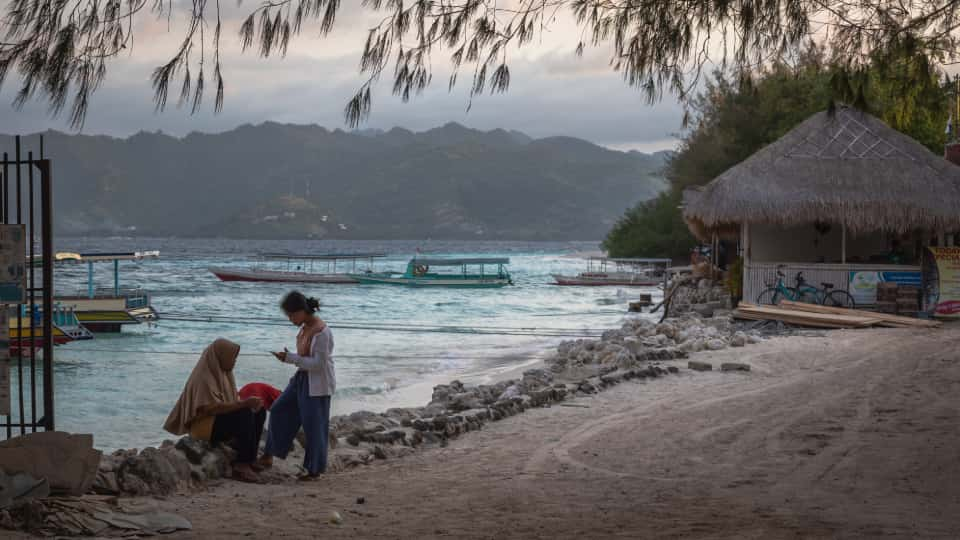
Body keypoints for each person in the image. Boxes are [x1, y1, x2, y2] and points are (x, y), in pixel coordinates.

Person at [163, 338, 265, 482]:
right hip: (204, 426)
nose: (234, 362)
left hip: (216, 420)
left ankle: (250, 458)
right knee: (245, 412)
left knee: (259, 411)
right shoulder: (204, 376)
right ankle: (241, 466)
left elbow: (229, 401)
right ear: (221, 356)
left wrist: (247, 403)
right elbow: (210, 408)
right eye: (232, 358)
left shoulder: (223, 373)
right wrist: (244, 404)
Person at [259, 291, 335, 480]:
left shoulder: (322, 331)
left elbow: (318, 364)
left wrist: (291, 358)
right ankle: (270, 454)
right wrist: (290, 358)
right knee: (278, 409)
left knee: (314, 427)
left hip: (318, 383)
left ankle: (314, 470)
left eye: (291, 315)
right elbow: (306, 359)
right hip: (302, 378)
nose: (290, 319)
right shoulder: (305, 327)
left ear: (301, 311)